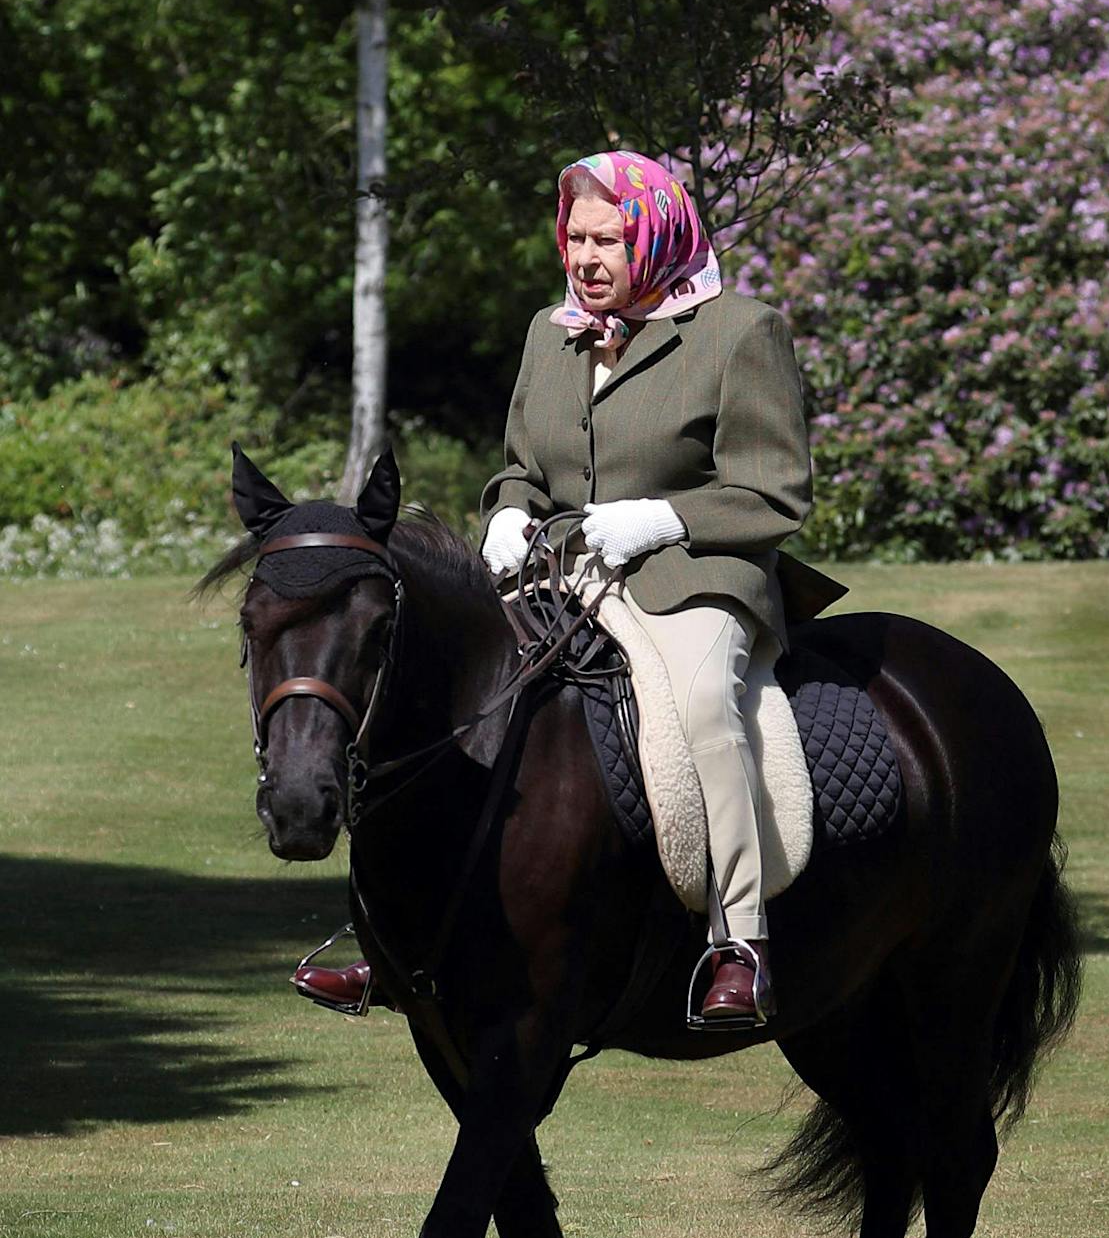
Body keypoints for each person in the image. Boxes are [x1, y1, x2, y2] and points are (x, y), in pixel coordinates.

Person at [297, 150, 819, 1023]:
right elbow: (520, 470)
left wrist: (664, 519)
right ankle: (388, 941)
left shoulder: (741, 332)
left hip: (692, 575)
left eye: (607, 239)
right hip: (561, 575)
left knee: (700, 708)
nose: (585, 258)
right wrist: (505, 512)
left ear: (654, 232)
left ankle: (740, 940)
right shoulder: (553, 329)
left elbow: (775, 491)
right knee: (428, 692)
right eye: (575, 238)